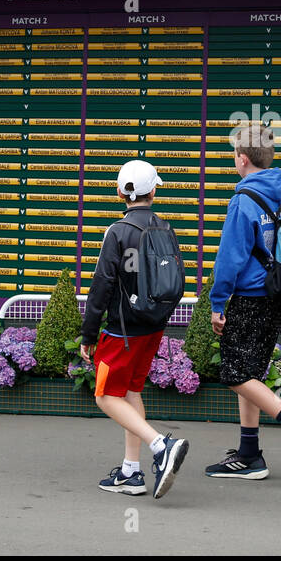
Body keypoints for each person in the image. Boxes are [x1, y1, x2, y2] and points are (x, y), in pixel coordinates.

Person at [205, 123, 281, 481]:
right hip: (278, 295)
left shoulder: (243, 200)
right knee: (251, 373)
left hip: (249, 297)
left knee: (234, 373)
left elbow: (230, 257)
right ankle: (249, 455)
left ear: (242, 159)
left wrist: (217, 302)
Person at [80, 159, 189, 499]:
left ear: (119, 192)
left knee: (105, 396)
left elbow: (102, 285)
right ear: (153, 191)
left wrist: (88, 333)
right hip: (152, 327)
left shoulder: (117, 231)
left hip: (121, 331)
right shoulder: (164, 227)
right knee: (130, 393)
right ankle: (131, 472)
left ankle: (161, 445)